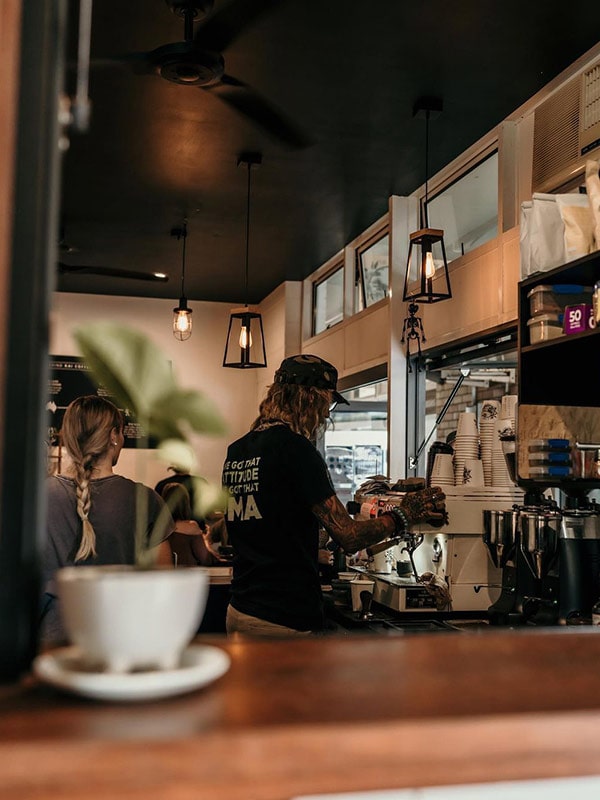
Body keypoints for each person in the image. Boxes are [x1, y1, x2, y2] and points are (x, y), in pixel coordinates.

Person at [221, 354, 448, 638]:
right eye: (327, 401)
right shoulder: (296, 449)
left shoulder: (238, 451)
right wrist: (404, 515)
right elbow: (350, 536)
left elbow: (257, 522)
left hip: (240, 610)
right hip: (282, 619)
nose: (327, 413)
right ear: (309, 399)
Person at [41, 395, 174, 644]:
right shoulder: (145, 500)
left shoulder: (38, 497)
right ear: (114, 436)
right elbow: (162, 585)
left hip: (53, 642)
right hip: (123, 640)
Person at [160, 482, 220, 567]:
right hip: (187, 576)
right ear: (186, 503)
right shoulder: (191, 527)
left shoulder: (157, 528)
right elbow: (206, 559)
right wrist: (206, 540)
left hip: (164, 576)